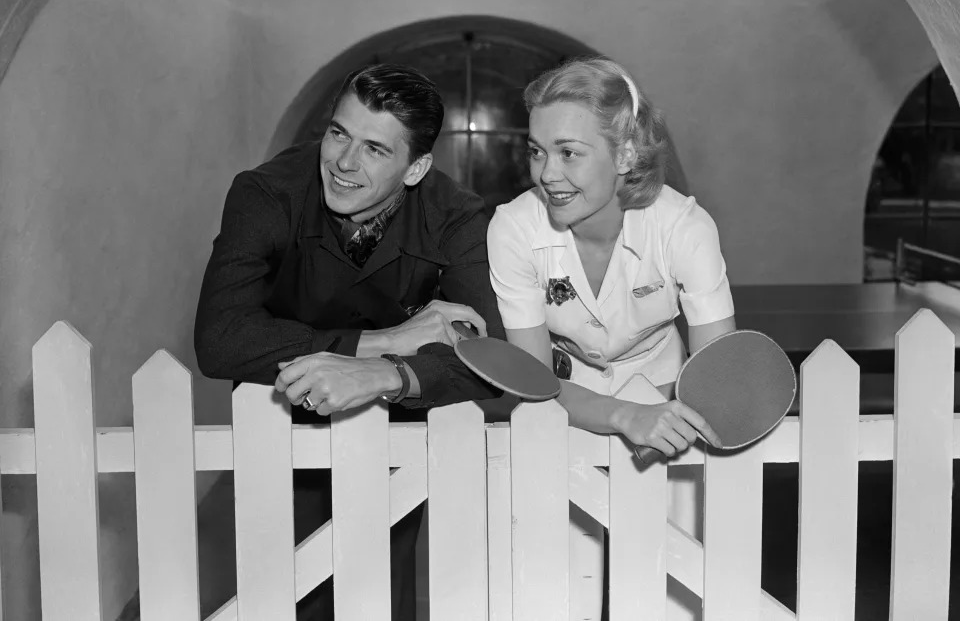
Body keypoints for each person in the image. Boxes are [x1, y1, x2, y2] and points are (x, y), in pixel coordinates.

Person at [194, 63, 505, 619]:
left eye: (375, 149)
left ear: (417, 169)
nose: (343, 162)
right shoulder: (264, 193)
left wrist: (393, 373)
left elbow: (491, 359)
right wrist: (389, 339)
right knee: (282, 593)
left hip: (396, 431)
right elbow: (220, 339)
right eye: (338, 133)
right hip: (279, 425)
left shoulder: (456, 216)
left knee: (380, 594)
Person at [487, 56, 735, 618]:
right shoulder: (514, 229)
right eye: (536, 150)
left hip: (670, 401)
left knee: (669, 594)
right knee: (554, 593)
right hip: (563, 403)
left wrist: (659, 413)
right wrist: (623, 416)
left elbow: (720, 370)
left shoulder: (685, 229)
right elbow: (533, 381)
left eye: (569, 152)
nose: (547, 173)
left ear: (625, 154)